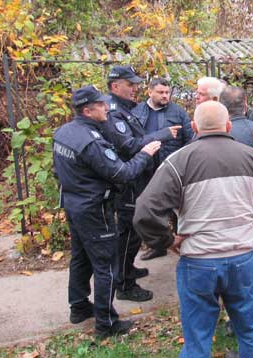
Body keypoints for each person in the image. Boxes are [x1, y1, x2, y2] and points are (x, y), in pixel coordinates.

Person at [133, 101, 253, 357]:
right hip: (243, 259)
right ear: (228, 126)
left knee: (197, 339)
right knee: (251, 333)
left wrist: (167, 240)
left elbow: (145, 211)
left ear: (195, 127)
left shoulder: (179, 162)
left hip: (199, 260)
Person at [53, 85, 161, 338]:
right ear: (88, 110)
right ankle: (106, 323)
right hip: (94, 209)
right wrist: (145, 153)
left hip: (74, 204)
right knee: (106, 265)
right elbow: (122, 174)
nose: (107, 108)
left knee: (80, 257)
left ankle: (79, 306)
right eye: (101, 105)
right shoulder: (91, 141)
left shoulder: (64, 132)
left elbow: (58, 171)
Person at [103, 66, 179, 302]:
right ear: (116, 86)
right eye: (130, 84)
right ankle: (124, 284)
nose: (135, 88)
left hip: (139, 178)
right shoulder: (114, 112)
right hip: (130, 183)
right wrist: (163, 134)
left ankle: (127, 270)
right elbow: (129, 145)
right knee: (128, 233)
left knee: (131, 232)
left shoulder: (124, 108)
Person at [132, 78, 193, 260]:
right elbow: (132, 141)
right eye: (161, 92)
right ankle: (157, 245)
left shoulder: (178, 112)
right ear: (150, 92)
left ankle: (181, 244)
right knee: (151, 208)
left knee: (176, 208)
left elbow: (189, 139)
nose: (165, 96)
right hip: (146, 169)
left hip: (172, 169)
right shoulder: (137, 112)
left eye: (167, 92)